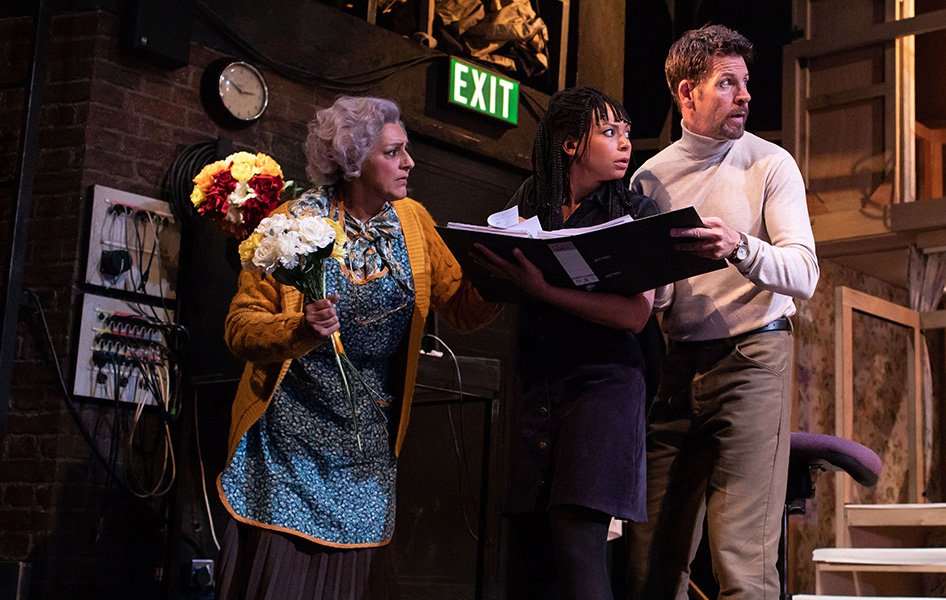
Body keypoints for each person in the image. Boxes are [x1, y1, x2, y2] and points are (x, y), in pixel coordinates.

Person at [216, 96, 499, 600]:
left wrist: (506, 276)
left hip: (367, 444)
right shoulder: (292, 223)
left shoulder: (414, 222)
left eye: (406, 150)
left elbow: (463, 308)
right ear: (353, 160)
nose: (409, 162)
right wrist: (300, 327)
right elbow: (240, 328)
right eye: (394, 152)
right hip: (290, 443)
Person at [624, 25, 820, 599]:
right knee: (650, 562)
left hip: (755, 359)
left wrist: (738, 246)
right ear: (687, 93)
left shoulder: (771, 164)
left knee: (742, 560)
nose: (745, 96)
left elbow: (804, 273)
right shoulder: (649, 178)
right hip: (679, 365)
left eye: (746, 83)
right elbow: (656, 296)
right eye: (727, 83)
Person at [472, 86, 661, 600]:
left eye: (626, 133)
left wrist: (545, 291)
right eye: (609, 132)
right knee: (531, 556)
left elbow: (635, 314)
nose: (625, 144)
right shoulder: (532, 200)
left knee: (579, 545)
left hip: (606, 386)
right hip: (539, 383)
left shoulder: (634, 210)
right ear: (569, 142)